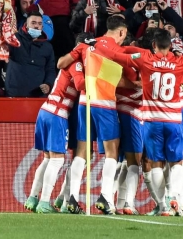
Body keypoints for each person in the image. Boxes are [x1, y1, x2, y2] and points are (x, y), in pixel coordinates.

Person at [94, 29, 183, 216]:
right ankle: (175, 197)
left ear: (153, 45)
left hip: (151, 121)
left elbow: (116, 55)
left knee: (155, 163)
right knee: (176, 162)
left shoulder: (144, 59)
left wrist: (97, 45)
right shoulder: (179, 61)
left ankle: (166, 206)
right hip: (174, 119)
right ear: (171, 46)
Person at [57, 15, 129, 215]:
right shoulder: (117, 49)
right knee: (111, 150)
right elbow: (123, 79)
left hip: (84, 102)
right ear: (121, 32)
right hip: (104, 102)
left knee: (82, 150)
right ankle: (106, 198)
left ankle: (71, 198)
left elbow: (62, 63)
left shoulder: (86, 45)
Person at [23, 32, 88, 214]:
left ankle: (33, 198)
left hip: (46, 110)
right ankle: (44, 202)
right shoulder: (77, 64)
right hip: (57, 114)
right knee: (57, 160)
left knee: (47, 159)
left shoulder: (68, 62)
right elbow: (81, 84)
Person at [0, 11, 56, 97]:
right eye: (33, 23)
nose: (36, 26)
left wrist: (48, 84)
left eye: (39, 24)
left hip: (37, 97)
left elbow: (50, 69)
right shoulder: (14, 39)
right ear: (26, 25)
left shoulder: (48, 47)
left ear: (42, 27)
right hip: (14, 95)